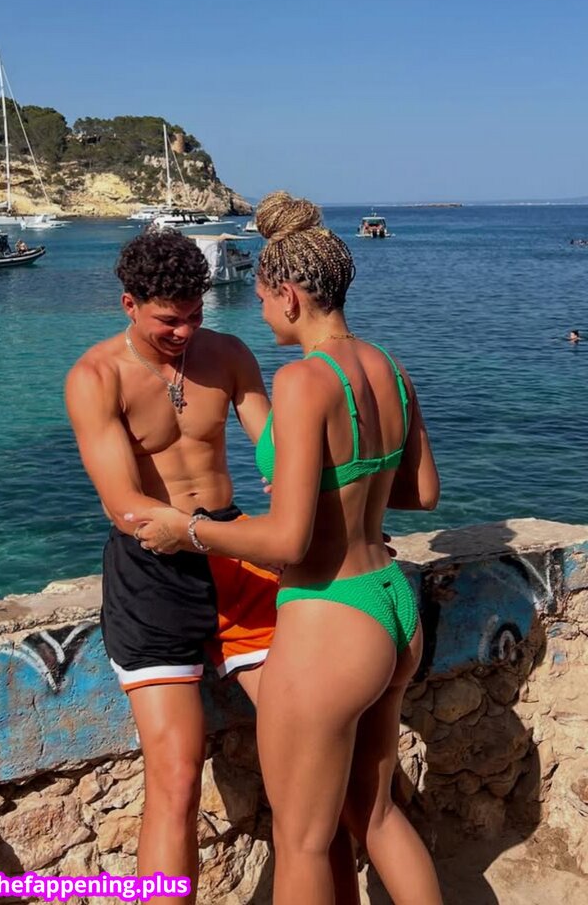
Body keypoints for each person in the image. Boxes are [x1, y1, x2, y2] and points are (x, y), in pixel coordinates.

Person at [127, 194, 443, 905]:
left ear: (290, 296)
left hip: (331, 617)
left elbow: (286, 541)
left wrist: (188, 530)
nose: (261, 312)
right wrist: (340, 495)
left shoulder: (303, 380)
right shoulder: (389, 367)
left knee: (302, 842)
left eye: (265, 299)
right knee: (376, 816)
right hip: (392, 604)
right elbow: (422, 491)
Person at [66, 229, 362, 905]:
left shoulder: (227, 354)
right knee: (175, 778)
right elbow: (124, 505)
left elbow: (280, 451)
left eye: (195, 315)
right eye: (168, 320)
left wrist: (329, 514)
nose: (184, 332)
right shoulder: (95, 377)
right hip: (152, 577)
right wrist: (212, 534)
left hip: (234, 558)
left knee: (310, 753)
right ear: (129, 304)